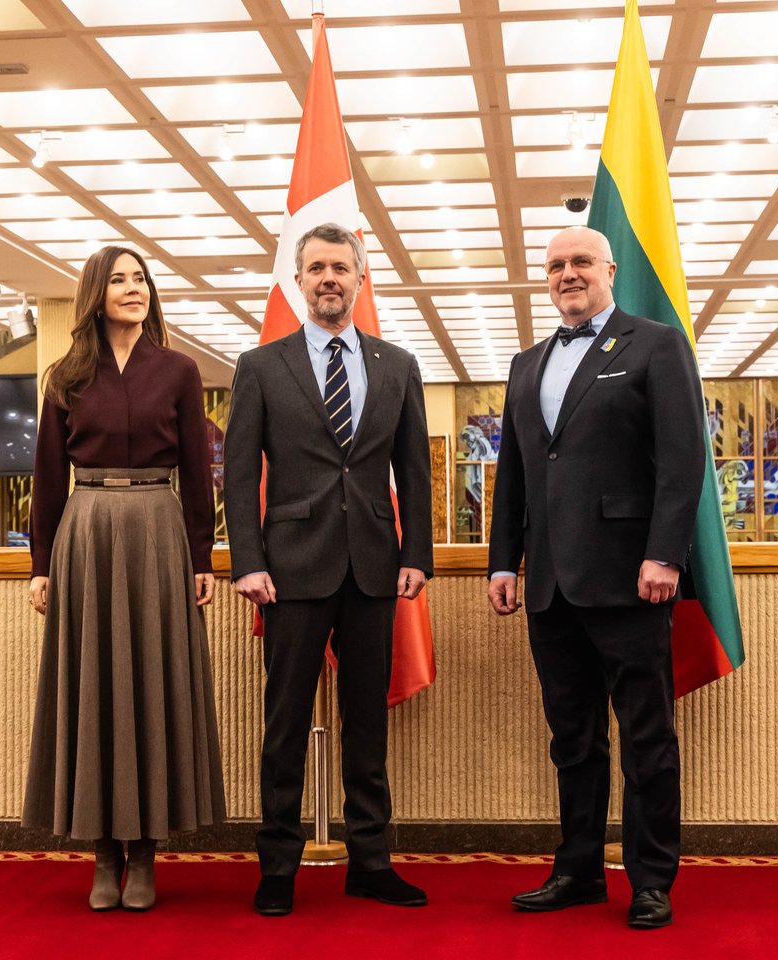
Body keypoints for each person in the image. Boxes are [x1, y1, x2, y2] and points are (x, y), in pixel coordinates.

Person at [486, 226, 705, 929]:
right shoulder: (526, 364)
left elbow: (682, 457)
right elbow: (515, 474)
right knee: (573, 740)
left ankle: (651, 880)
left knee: (646, 738)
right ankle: (577, 871)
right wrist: (502, 560)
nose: (567, 274)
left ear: (610, 269)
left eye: (581, 261)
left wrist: (665, 553)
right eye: (555, 265)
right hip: (549, 585)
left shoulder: (656, 344)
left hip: (631, 579)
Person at [223, 223, 433, 917]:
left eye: (340, 267)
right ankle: (278, 867)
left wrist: (417, 553)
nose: (329, 278)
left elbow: (414, 469)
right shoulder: (260, 366)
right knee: (284, 724)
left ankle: (370, 862)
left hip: (374, 569)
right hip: (288, 571)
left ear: (361, 278)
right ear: (298, 281)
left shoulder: (398, 365)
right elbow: (238, 474)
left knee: (366, 725)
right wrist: (247, 562)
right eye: (316, 268)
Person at [22, 245, 226, 912]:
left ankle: (145, 855)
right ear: (96, 293)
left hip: (160, 533)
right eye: (119, 280)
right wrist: (41, 565)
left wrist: (202, 555)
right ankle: (103, 855)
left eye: (141, 279)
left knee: (150, 686)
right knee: (95, 690)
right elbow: (47, 476)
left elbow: (197, 469)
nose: (134, 289)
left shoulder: (179, 370)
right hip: (86, 535)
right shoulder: (66, 376)